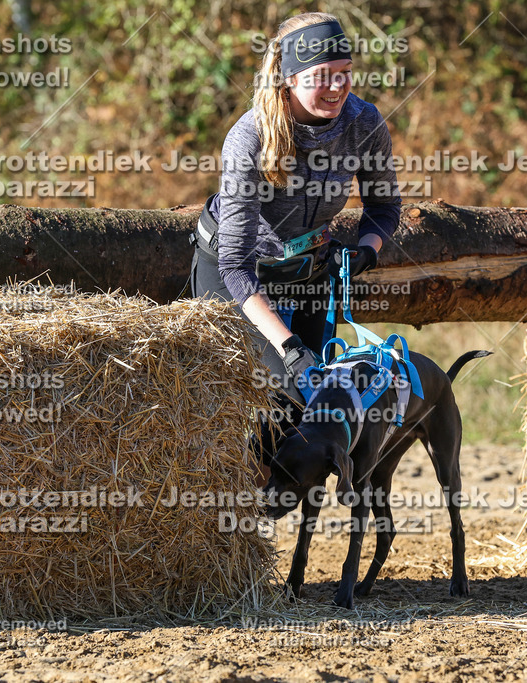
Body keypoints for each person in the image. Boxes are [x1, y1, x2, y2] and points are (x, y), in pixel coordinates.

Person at [188, 11, 402, 467]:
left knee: (305, 400)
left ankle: (261, 513)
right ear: (288, 78)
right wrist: (288, 348)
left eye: (344, 74)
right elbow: (235, 266)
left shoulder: (364, 123)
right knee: (272, 390)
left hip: (307, 266)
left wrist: (367, 251)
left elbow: (384, 207)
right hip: (237, 272)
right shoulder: (249, 138)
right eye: (321, 77)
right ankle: (228, 515)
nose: (337, 87)